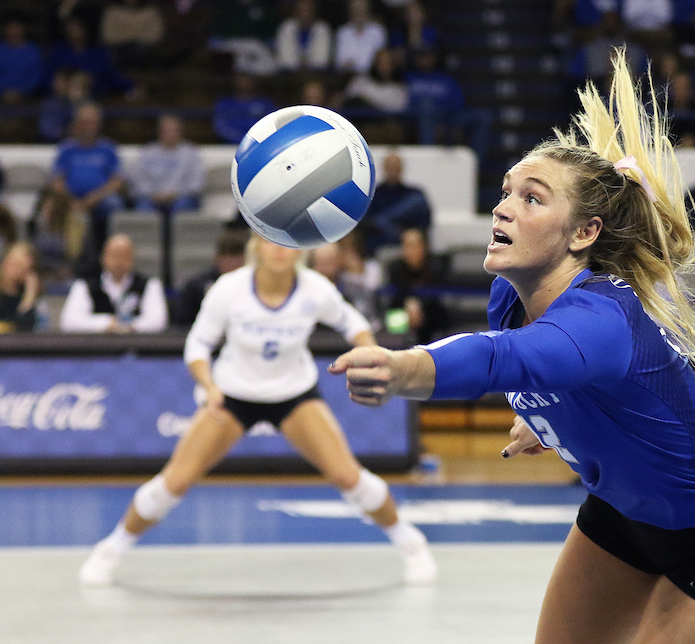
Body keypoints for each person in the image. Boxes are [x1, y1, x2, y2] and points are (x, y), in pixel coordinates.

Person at [330, 51, 695, 644]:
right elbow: (542, 372)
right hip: (626, 514)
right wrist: (545, 421)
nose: (503, 206)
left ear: (583, 234)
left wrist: (408, 369)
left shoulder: (602, 315)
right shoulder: (515, 295)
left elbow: (506, 360)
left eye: (531, 197)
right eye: (506, 191)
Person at [78, 234, 437, 587]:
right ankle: (112, 548)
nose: (280, 249)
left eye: (288, 242)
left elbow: (354, 324)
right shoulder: (228, 289)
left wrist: (371, 353)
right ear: (256, 247)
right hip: (232, 395)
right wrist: (209, 386)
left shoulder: (315, 289)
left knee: (348, 477)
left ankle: (411, 543)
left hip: (294, 394)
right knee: (175, 482)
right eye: (270, 240)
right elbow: (198, 345)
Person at [48, 103, 125, 252]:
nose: (87, 126)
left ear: (98, 125)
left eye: (91, 122)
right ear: (76, 124)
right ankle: (60, 255)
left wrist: (94, 198)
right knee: (53, 206)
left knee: (114, 204)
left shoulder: (107, 149)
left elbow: (117, 182)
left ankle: (109, 250)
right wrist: (72, 200)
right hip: (70, 199)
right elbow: (57, 181)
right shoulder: (67, 149)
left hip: (100, 199)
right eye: (83, 122)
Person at [60, 233, 168, 333]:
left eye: (124, 255)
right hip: (96, 348)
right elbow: (69, 322)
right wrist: (106, 323)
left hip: (137, 348)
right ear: (103, 257)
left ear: (132, 259)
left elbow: (158, 321)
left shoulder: (150, 285)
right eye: (114, 255)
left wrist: (127, 326)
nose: (119, 261)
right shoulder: (84, 285)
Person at [382, 227, 449, 343]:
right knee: (391, 320)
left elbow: (437, 298)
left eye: (415, 245)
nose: (411, 250)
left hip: (429, 317)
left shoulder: (436, 267)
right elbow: (393, 299)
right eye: (407, 245)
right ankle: (400, 349)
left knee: (437, 318)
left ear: (423, 246)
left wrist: (419, 304)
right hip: (401, 315)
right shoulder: (395, 268)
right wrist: (407, 303)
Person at [171, 229, 248, 327]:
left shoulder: (255, 285)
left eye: (236, 256)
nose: (231, 262)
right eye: (225, 256)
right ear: (217, 258)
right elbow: (182, 323)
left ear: (245, 259)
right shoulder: (196, 286)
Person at [130, 114, 204, 213]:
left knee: (184, 205)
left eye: (174, 130)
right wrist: (153, 195)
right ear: (159, 132)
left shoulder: (191, 153)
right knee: (143, 207)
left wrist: (175, 194)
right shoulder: (147, 152)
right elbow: (138, 180)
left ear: (180, 132)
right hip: (151, 198)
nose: (170, 134)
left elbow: (196, 183)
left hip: (181, 198)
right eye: (167, 131)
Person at [361, 152, 431, 253]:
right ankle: (384, 221)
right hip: (378, 244)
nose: (393, 170)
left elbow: (424, 223)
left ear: (402, 168)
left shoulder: (413, 193)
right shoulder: (373, 194)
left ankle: (384, 220)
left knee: (417, 202)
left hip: (408, 246)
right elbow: (366, 222)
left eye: (396, 167)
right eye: (390, 167)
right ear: (384, 168)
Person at [212, 72, 275, 145]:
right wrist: (240, 139)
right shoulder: (225, 104)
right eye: (240, 79)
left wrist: (254, 139)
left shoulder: (264, 104)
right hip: (229, 145)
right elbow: (220, 127)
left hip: (257, 145)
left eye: (248, 80)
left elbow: (271, 125)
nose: (244, 83)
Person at [274, 0, 332, 72]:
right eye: (302, 10)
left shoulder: (322, 28)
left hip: (317, 75)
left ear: (314, 11)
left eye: (308, 10)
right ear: (295, 11)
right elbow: (285, 61)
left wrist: (303, 63)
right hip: (289, 76)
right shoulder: (286, 27)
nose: (305, 14)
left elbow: (321, 61)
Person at [0, 242, 43, 333]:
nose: (18, 272)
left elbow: (26, 332)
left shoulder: (30, 298)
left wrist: (29, 296)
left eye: (25, 269)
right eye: (15, 264)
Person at [335, 0, 387, 74]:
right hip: (347, 76)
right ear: (350, 11)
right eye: (356, 10)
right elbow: (339, 63)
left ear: (367, 11)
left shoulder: (378, 31)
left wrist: (354, 63)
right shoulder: (343, 32)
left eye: (361, 10)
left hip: (372, 77)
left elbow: (380, 61)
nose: (358, 13)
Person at [0, 17, 43, 102]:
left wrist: (22, 92)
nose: (14, 31)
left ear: (24, 29)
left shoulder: (34, 51)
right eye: (11, 28)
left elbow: (36, 76)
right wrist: (3, 92)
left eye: (17, 27)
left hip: (27, 97)